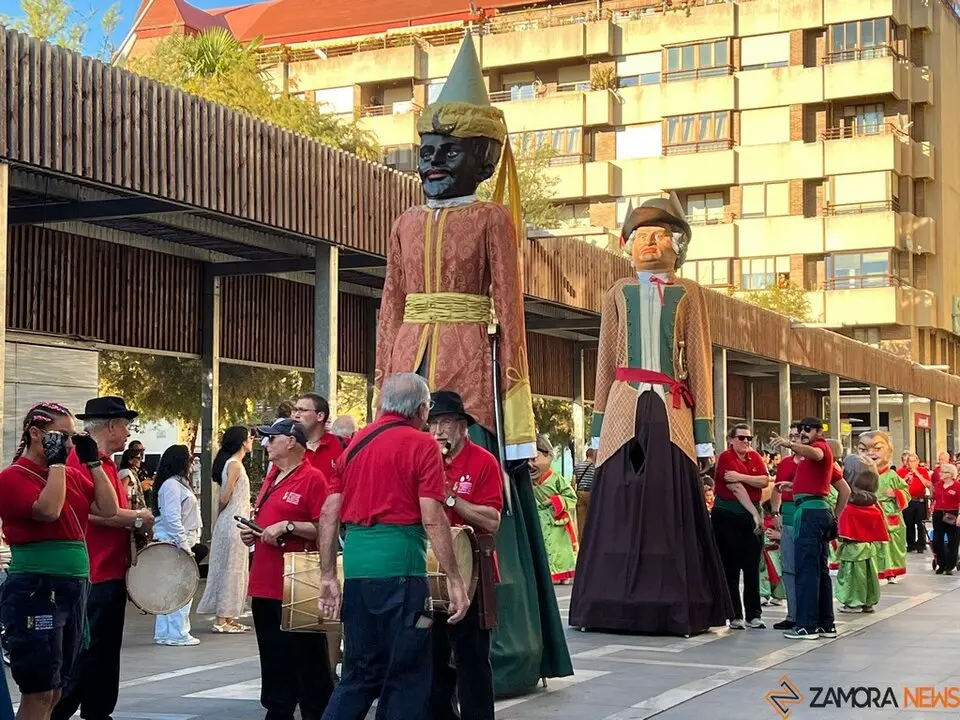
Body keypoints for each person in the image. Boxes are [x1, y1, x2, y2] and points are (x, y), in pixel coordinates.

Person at [374, 31, 571, 693]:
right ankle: (405, 640)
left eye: (448, 149)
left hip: (473, 376)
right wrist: (380, 392)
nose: (431, 159)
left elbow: (509, 316)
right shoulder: (403, 222)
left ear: (482, 157)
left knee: (473, 498)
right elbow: (390, 308)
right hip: (409, 366)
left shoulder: (493, 219)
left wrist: (518, 422)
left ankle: (496, 651)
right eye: (426, 147)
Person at [570, 193, 732, 635]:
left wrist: (703, 436)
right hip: (624, 402)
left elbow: (698, 360)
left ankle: (676, 604)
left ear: (677, 245)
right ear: (627, 245)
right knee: (619, 496)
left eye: (662, 236)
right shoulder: (617, 292)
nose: (652, 243)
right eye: (643, 236)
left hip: (671, 408)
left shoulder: (689, 292)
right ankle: (607, 602)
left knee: (669, 499)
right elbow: (604, 361)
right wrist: (599, 430)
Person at [316, 374, 470, 719]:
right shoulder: (422, 444)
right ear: (419, 409)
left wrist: (328, 574)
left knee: (359, 675)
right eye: (429, 408)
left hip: (357, 571)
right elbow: (432, 517)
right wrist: (455, 580)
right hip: (402, 573)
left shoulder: (354, 442)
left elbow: (329, 513)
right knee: (406, 677)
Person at [0, 403, 119, 720]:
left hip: (72, 585)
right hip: (37, 588)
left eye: (70, 437)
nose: (67, 444)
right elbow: (49, 510)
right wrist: (56, 463)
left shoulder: (68, 475)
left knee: (57, 691)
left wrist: (94, 461)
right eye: (59, 436)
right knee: (39, 690)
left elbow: (108, 508)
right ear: (35, 434)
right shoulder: (12, 477)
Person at [52, 397, 154, 720]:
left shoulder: (108, 463)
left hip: (112, 572)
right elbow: (94, 512)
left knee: (106, 656)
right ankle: (58, 712)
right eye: (125, 425)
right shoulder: (81, 460)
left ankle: (98, 711)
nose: (128, 432)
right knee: (85, 654)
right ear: (110, 425)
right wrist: (137, 517)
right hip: (92, 571)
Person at [240, 418, 333, 720]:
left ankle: (313, 711)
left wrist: (288, 525)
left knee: (308, 659)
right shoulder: (273, 477)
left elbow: (325, 528)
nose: (266, 444)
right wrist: (254, 532)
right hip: (265, 582)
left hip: (297, 584)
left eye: (272, 438)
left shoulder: (313, 478)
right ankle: (278, 709)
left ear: (291, 441)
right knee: (273, 655)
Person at [427, 390, 503, 720]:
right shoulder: (423, 459)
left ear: (462, 426)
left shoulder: (483, 462)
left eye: (444, 422)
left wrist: (451, 499)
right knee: (430, 660)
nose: (438, 431)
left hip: (472, 574)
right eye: (432, 424)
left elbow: (492, 519)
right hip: (429, 572)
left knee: (472, 659)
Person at [771, 417, 850, 640]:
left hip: (810, 513)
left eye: (807, 429)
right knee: (820, 570)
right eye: (800, 430)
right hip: (817, 511)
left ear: (818, 431)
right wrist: (833, 514)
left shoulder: (820, 448)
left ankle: (806, 625)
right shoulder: (813, 460)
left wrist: (788, 444)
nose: (803, 432)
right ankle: (826, 623)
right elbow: (844, 490)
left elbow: (816, 454)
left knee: (806, 570)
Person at [712, 424, 770, 630]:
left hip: (750, 514)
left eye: (749, 438)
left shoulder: (755, 457)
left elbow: (764, 481)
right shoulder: (726, 458)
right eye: (742, 438)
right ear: (731, 439)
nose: (746, 442)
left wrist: (743, 477)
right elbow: (734, 487)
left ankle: (754, 614)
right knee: (731, 567)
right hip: (728, 515)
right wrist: (755, 514)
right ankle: (735, 614)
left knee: (752, 566)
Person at [197, 426, 253, 633]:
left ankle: (228, 616)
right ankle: (222, 618)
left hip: (234, 520)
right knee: (232, 568)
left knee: (234, 567)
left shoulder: (234, 464)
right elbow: (223, 497)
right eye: (249, 438)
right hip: (234, 520)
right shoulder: (235, 465)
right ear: (242, 442)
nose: (252, 441)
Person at [151, 445, 204, 647]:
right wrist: (183, 543)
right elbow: (172, 518)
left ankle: (167, 631)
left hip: (179, 538)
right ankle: (177, 632)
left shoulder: (176, 484)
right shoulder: (172, 486)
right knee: (182, 588)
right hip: (176, 541)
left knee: (172, 588)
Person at [835, 453, 888, 614]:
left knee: (852, 575)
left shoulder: (848, 507)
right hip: (868, 546)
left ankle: (853, 602)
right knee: (868, 574)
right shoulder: (873, 505)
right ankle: (868, 601)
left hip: (853, 547)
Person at [859, 433, 909, 584]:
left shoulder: (892, 475)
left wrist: (895, 493)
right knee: (873, 544)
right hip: (870, 513)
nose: (870, 453)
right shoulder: (860, 474)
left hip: (889, 514)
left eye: (877, 448)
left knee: (891, 544)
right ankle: (877, 571)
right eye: (863, 449)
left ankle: (892, 571)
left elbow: (906, 491)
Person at [530, 435, 578, 584]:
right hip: (537, 519)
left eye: (534, 459)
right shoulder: (525, 480)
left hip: (555, 520)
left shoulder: (556, 478)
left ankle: (561, 574)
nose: (530, 464)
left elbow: (571, 497)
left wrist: (555, 501)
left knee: (558, 549)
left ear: (548, 456)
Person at [770, 422, 800, 631]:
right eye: (792, 436)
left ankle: (810, 612)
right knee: (789, 567)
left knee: (810, 567)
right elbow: (777, 489)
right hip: (788, 513)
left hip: (809, 511)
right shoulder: (787, 463)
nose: (794, 440)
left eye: (797, 436)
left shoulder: (817, 460)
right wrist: (775, 512)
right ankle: (793, 613)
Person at [293, 393, 346, 477]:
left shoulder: (343, 445)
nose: (296, 415)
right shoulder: (288, 447)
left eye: (302, 410)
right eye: (295, 410)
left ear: (320, 416)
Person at [899, 453, 931, 553]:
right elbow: (897, 486)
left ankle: (921, 545)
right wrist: (905, 479)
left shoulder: (923, 471)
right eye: (909, 461)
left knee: (920, 523)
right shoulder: (901, 471)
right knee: (909, 523)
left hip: (919, 500)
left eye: (913, 461)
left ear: (917, 461)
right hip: (908, 500)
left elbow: (928, 484)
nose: (911, 463)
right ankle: (911, 544)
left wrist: (918, 474)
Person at [931, 463, 960, 575]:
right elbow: (934, 498)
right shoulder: (938, 485)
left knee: (953, 541)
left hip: (952, 513)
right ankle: (941, 564)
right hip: (938, 513)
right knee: (937, 540)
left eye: (943, 472)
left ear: (950, 474)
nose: (940, 474)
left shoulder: (957, 486)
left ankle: (950, 565)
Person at [759, 502, 785, 607]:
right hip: (764, 552)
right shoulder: (762, 521)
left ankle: (778, 596)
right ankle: (763, 594)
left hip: (776, 552)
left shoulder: (779, 522)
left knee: (779, 575)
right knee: (763, 575)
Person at [572, 449, 595, 540]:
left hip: (580, 493)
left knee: (581, 520)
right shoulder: (595, 467)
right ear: (593, 456)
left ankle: (582, 543)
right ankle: (591, 540)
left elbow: (573, 482)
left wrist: (574, 493)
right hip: (591, 494)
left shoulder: (578, 466)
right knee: (592, 518)